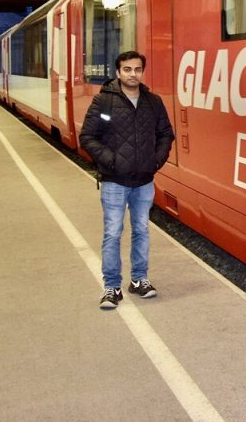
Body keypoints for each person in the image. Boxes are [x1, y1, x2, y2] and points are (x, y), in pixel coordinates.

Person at [79, 51, 175, 310]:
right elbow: (87, 137)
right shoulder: (103, 103)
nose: (133, 74)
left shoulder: (153, 102)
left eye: (137, 69)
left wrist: (156, 160)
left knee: (141, 231)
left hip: (144, 180)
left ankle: (139, 280)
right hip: (114, 181)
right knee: (112, 234)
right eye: (127, 69)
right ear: (118, 72)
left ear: (143, 71)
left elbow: (166, 133)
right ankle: (111, 287)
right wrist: (111, 161)